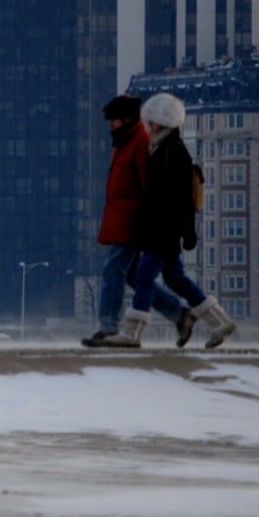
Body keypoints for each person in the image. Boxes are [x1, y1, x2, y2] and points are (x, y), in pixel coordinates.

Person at [104, 92, 237, 349]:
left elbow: (181, 196)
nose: (147, 127)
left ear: (159, 123)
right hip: (164, 228)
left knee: (143, 278)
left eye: (150, 122)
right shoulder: (165, 148)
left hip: (161, 229)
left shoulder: (171, 151)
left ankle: (133, 334)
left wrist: (187, 230)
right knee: (176, 279)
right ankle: (219, 321)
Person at [83, 94, 194, 348]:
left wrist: (151, 223)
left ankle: (108, 327)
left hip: (132, 223)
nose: (110, 124)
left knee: (113, 270)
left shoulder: (139, 143)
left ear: (127, 119)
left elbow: (151, 187)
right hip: (121, 220)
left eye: (114, 120)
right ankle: (179, 314)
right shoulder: (123, 143)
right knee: (132, 276)